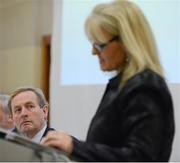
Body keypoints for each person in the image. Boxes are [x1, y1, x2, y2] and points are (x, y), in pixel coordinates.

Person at [41, 0, 175, 161]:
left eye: (100, 45)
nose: (93, 52)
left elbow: (141, 157)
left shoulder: (145, 86)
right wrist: (71, 145)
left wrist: (75, 147)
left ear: (126, 41)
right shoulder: (123, 84)